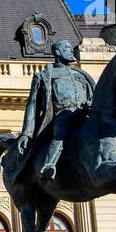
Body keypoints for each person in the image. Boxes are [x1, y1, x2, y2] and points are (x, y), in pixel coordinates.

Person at [16, 38, 97, 180]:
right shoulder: (45, 76)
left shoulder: (81, 75)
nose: (71, 50)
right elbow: (33, 105)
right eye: (66, 48)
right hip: (62, 114)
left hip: (84, 113)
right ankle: (49, 164)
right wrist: (26, 133)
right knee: (60, 133)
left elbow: (93, 96)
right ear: (58, 52)